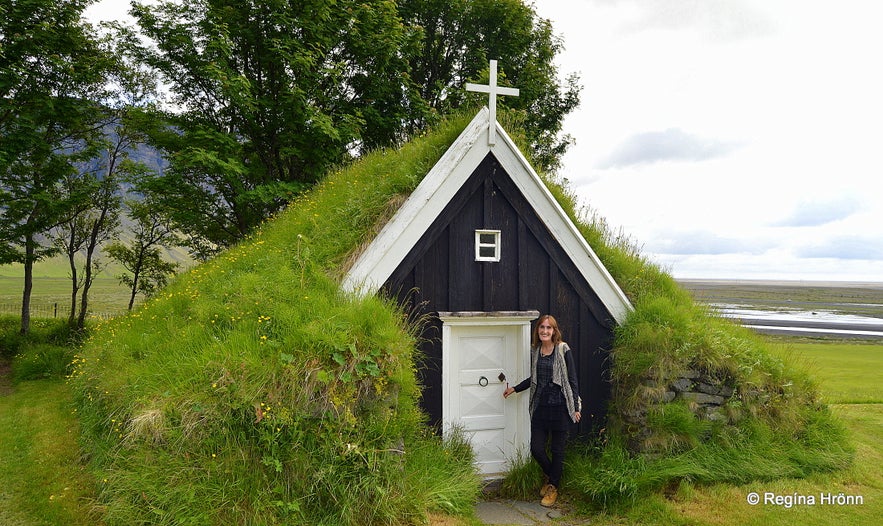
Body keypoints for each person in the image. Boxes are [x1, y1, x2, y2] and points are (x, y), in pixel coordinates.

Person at [503, 314, 580, 507]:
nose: (545, 331)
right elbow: (534, 379)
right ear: (538, 330)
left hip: (561, 407)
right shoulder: (536, 351)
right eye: (542, 328)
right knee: (536, 448)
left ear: (554, 331)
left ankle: (553, 486)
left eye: (549, 328)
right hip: (541, 407)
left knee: (557, 450)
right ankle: (552, 475)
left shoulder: (563, 349)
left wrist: (576, 408)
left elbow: (572, 380)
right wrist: (515, 388)